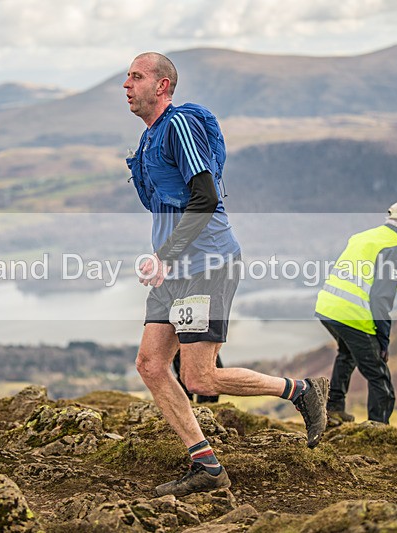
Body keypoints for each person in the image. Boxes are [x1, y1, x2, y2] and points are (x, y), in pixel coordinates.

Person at [124, 52, 329, 498]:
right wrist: (163, 258)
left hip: (206, 266)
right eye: (127, 77)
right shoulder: (149, 138)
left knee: (199, 377)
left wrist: (167, 255)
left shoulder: (178, 126)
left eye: (136, 77)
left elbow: (205, 197)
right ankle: (207, 467)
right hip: (174, 270)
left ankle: (301, 390)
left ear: (162, 86)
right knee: (151, 364)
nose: (126, 85)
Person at [314, 201, 397, 425]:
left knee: (347, 355)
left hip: (328, 309)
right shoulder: (395, 248)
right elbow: (381, 298)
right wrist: (383, 340)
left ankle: (334, 409)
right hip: (352, 315)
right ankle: (378, 430)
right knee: (379, 376)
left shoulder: (365, 236)